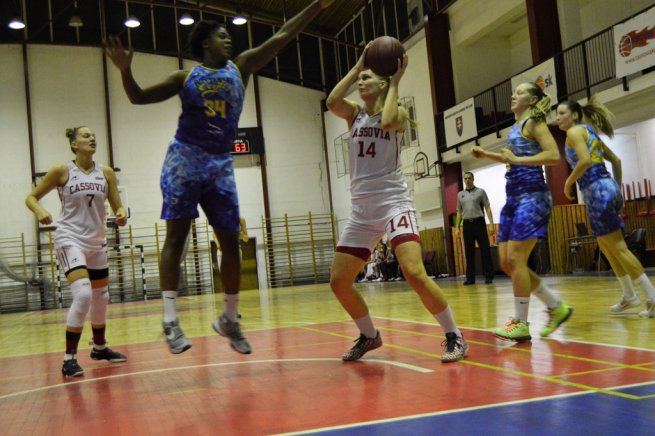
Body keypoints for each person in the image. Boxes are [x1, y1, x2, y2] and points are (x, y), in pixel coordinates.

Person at [104, 0, 336, 355]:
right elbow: (138, 98)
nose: (229, 42)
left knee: (231, 243)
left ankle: (229, 318)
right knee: (176, 239)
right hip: (184, 160)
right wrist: (124, 71)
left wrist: (317, 6)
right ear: (205, 44)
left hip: (220, 164)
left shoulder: (240, 68)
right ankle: (170, 321)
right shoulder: (185, 77)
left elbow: (285, 34)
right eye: (222, 37)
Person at [326, 47, 468, 363]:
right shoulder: (354, 114)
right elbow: (332, 102)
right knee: (339, 282)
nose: (360, 84)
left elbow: (388, 120)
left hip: (393, 203)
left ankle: (454, 335)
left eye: (367, 79)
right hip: (362, 211)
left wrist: (396, 81)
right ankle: (369, 335)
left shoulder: (399, 112)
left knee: (414, 272)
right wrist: (356, 67)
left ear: (383, 84)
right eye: (359, 80)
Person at [472, 82, 573, 342]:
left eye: (520, 92)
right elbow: (512, 159)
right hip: (513, 196)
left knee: (517, 260)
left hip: (533, 195)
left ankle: (520, 323)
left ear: (532, 99)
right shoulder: (516, 127)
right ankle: (556, 306)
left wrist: (515, 160)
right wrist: (488, 156)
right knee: (506, 262)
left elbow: (552, 155)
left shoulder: (533, 123)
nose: (513, 95)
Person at [25, 126, 128, 377]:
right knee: (83, 294)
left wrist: (121, 213)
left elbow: (117, 205)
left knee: (101, 297)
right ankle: (68, 358)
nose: (92, 138)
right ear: (74, 144)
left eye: (93, 135)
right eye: (85, 135)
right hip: (69, 238)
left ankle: (100, 348)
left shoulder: (105, 173)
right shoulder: (63, 170)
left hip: (96, 241)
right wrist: (40, 212)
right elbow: (31, 198)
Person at [556, 96, 655, 317]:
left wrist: (568, 182)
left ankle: (652, 296)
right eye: (557, 113)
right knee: (606, 246)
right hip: (606, 188)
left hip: (596, 190)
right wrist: (616, 189)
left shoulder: (573, 133)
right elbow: (616, 161)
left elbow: (584, 161)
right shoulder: (589, 131)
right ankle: (629, 295)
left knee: (618, 247)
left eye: (562, 113)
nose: (558, 117)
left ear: (574, 115)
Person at [455, 171, 495, 285]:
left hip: (479, 223)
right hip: (467, 225)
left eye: (469, 178)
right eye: (465, 178)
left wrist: (491, 224)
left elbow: (487, 207)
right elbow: (459, 212)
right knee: (469, 252)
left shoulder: (481, 192)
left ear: (473, 179)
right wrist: (457, 227)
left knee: (485, 250)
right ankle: (470, 278)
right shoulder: (460, 194)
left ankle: (488, 276)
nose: (467, 180)